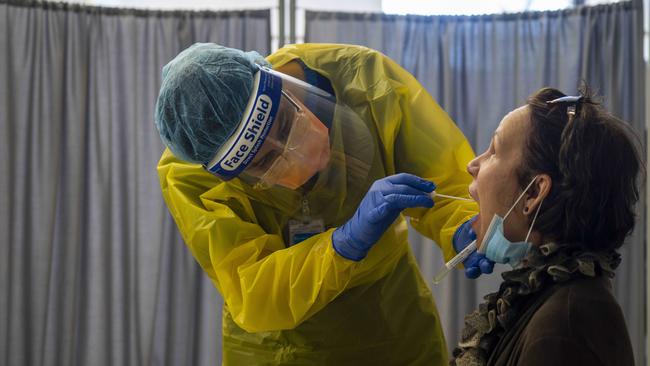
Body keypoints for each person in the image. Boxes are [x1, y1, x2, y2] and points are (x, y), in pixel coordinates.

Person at [155, 42, 489, 365]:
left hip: (391, 317)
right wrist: (342, 246)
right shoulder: (192, 176)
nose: (294, 154)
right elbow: (252, 286)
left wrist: (463, 223)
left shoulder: (364, 81)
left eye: (285, 123)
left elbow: (441, 176)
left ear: (277, 84)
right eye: (265, 162)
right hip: (283, 345)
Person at [451, 86, 641, 366]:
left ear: (533, 193)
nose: (473, 165)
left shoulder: (566, 326)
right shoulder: (556, 300)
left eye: (494, 150)